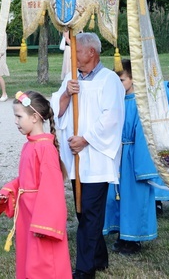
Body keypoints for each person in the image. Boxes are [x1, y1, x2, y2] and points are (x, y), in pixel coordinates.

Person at [50, 32, 124, 279]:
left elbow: (111, 117)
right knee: (83, 211)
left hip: (97, 156)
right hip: (76, 158)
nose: (73, 56)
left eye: (77, 52)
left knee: (90, 213)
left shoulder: (109, 80)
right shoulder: (71, 79)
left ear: (91, 52)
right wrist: (65, 95)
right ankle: (99, 258)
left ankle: (84, 270)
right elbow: (56, 113)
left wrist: (86, 139)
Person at [0, 91, 71, 278]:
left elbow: (52, 189)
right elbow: (26, 179)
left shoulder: (45, 148)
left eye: (19, 116)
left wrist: (45, 225)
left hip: (40, 218)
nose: (16, 121)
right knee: (29, 260)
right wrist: (10, 188)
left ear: (35, 118)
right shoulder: (30, 145)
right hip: (27, 214)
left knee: (44, 264)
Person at [102, 60, 159, 255]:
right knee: (115, 196)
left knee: (133, 197)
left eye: (122, 79)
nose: (118, 84)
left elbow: (144, 137)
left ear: (133, 79)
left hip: (132, 157)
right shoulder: (114, 102)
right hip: (115, 154)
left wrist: (143, 167)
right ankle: (121, 234)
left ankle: (133, 239)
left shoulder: (140, 105)